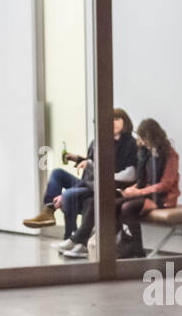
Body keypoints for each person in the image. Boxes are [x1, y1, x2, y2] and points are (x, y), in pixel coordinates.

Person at [24, 108, 137, 259]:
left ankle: (73, 239)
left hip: (106, 186)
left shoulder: (129, 143)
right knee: (58, 173)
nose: (112, 123)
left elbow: (116, 172)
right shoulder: (98, 142)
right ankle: (49, 212)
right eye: (110, 120)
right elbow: (92, 164)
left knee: (70, 195)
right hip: (89, 183)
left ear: (125, 121)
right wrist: (78, 159)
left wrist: (89, 164)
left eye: (117, 119)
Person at [114, 117, 180, 259]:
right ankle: (128, 246)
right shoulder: (146, 154)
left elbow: (166, 184)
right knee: (115, 205)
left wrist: (139, 191)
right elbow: (142, 181)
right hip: (148, 194)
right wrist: (132, 189)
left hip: (164, 198)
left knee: (128, 208)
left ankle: (134, 248)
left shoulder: (170, 155)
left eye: (144, 138)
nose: (142, 142)